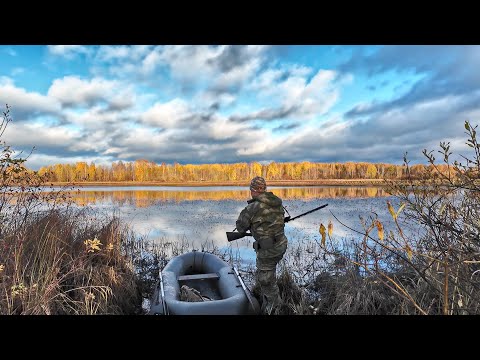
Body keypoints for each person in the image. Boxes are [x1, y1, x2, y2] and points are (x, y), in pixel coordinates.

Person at [235, 176, 288, 315]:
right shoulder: (276, 202)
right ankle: (268, 300)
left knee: (265, 280)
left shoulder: (252, 207)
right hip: (281, 244)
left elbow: (240, 227)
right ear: (264, 189)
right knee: (269, 274)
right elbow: (277, 220)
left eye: (251, 190)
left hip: (268, 250)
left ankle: (275, 308)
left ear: (253, 190)